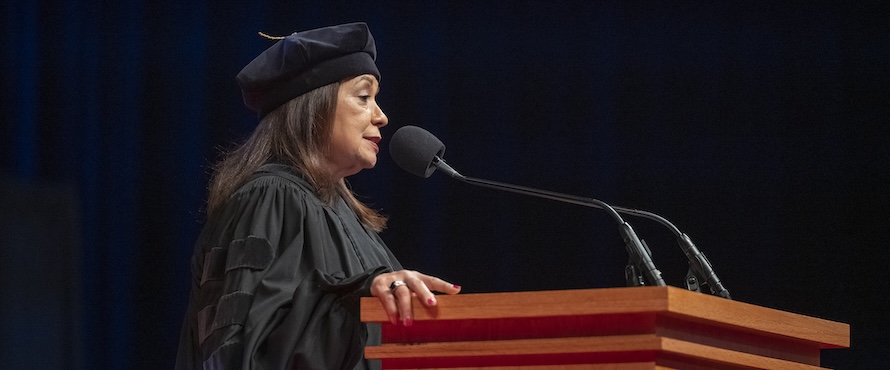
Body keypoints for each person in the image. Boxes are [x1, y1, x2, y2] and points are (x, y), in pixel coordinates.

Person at [175, 22, 461, 370]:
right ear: (314, 107)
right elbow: (243, 352)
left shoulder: (349, 219)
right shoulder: (269, 198)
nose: (381, 116)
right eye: (363, 96)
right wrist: (359, 300)